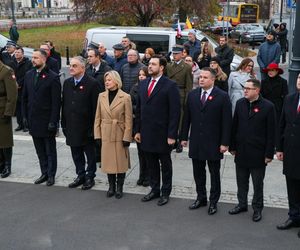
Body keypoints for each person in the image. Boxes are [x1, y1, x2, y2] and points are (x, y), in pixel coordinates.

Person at [181, 67, 232, 215]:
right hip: (196, 141)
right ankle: (201, 197)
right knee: (198, 172)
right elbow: (187, 118)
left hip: (214, 142)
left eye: (205, 77)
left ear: (213, 79)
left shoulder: (222, 96)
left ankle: (213, 201)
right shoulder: (192, 95)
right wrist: (184, 137)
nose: (201, 79)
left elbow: (226, 122)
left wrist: (224, 142)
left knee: (214, 173)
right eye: (200, 77)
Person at [135, 55, 181, 206]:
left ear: (161, 67)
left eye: (154, 64)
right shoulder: (143, 84)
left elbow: (175, 112)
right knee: (151, 163)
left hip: (163, 134)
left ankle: (165, 192)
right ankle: (154, 189)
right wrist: (138, 131)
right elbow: (140, 109)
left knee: (165, 164)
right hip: (146, 132)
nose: (150, 66)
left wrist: (172, 135)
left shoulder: (170, 85)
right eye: (149, 64)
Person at [228, 79, 276, 222]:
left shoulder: (268, 106)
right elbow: (234, 125)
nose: (245, 91)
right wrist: (232, 146)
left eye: (249, 88)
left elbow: (271, 132)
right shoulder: (240, 103)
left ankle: (257, 209)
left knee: (257, 184)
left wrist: (269, 154)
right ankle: (242, 204)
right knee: (241, 181)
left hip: (258, 153)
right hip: (241, 150)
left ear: (257, 90)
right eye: (244, 88)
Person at [22, 49, 61, 186]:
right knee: (40, 151)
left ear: (44, 59)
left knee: (50, 151)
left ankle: (51, 175)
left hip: (47, 120)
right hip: (33, 120)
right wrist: (24, 117)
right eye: (32, 57)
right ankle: (44, 173)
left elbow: (56, 103)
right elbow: (24, 98)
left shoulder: (53, 77)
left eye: (36, 58)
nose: (33, 60)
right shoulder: (29, 74)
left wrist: (53, 122)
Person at [61, 56, 100, 190]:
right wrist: (63, 123)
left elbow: (96, 108)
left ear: (83, 68)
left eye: (75, 66)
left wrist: (94, 128)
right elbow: (64, 104)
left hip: (86, 127)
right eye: (70, 65)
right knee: (76, 153)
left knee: (90, 154)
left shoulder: (92, 83)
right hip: (71, 126)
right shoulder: (67, 83)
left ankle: (90, 177)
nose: (71, 68)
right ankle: (80, 175)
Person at [94, 70, 133, 199]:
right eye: (106, 80)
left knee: (120, 163)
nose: (106, 82)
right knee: (108, 162)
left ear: (116, 81)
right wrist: (97, 135)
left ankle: (119, 187)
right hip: (105, 133)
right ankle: (111, 186)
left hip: (119, 133)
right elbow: (97, 117)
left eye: (109, 80)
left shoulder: (125, 97)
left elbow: (128, 119)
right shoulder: (101, 96)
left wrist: (127, 137)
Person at [276, 73, 300, 237]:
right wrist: (280, 148)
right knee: (291, 186)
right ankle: (294, 216)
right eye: (298, 78)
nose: (299, 81)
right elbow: (282, 124)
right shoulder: (290, 98)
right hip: (291, 150)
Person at [166, 46, 193, 153]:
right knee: (170, 117)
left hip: (180, 93)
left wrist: (187, 99)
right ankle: (171, 140)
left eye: (177, 54)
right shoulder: (168, 66)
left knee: (181, 119)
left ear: (182, 54)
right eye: (174, 54)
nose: (175, 56)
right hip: (170, 93)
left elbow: (189, 85)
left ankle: (180, 141)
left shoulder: (186, 67)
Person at [130, 66, 150, 186]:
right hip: (138, 122)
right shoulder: (135, 87)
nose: (141, 76)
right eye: (140, 75)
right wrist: (137, 109)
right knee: (140, 153)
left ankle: (148, 176)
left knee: (147, 153)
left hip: (148, 123)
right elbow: (130, 102)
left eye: (143, 75)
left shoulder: (150, 88)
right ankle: (142, 175)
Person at [0, 59, 17, 178]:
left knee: (5, 140)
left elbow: (12, 94)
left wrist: (8, 112)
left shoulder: (6, 71)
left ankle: (7, 165)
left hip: (2, 110)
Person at [13, 47, 32, 132]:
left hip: (24, 88)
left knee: (24, 106)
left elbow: (27, 75)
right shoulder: (11, 63)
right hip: (14, 88)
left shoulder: (28, 63)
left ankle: (26, 125)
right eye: (16, 52)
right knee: (17, 108)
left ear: (22, 54)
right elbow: (10, 74)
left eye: (18, 52)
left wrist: (19, 83)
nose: (17, 54)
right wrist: (14, 84)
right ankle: (20, 124)